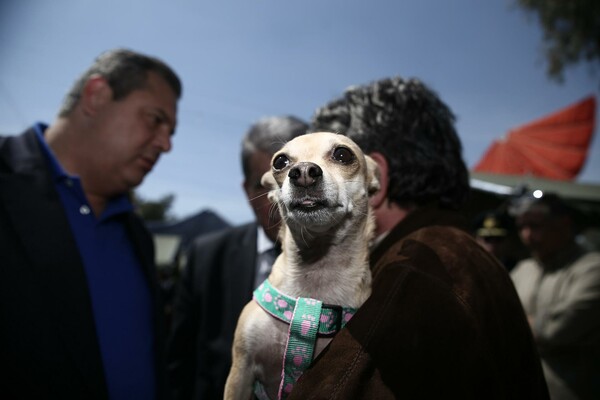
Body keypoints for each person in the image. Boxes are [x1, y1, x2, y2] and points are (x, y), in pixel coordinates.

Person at [287, 76, 549, 399]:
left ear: (376, 180)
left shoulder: (415, 272)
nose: (304, 177)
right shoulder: (455, 254)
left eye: (337, 160)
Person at [0, 49, 182, 400]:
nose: (166, 144)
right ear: (96, 96)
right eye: (155, 119)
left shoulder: (138, 237)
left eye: (170, 131)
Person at [166, 115, 308, 400]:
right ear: (246, 191)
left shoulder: (353, 264)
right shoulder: (205, 258)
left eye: (291, 178)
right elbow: (178, 364)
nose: (278, 198)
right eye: (264, 185)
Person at [510, 193, 600, 400]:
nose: (527, 235)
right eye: (521, 227)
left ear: (563, 224)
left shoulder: (592, 269)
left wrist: (510, 322)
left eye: (535, 226)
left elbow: (555, 329)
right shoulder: (524, 269)